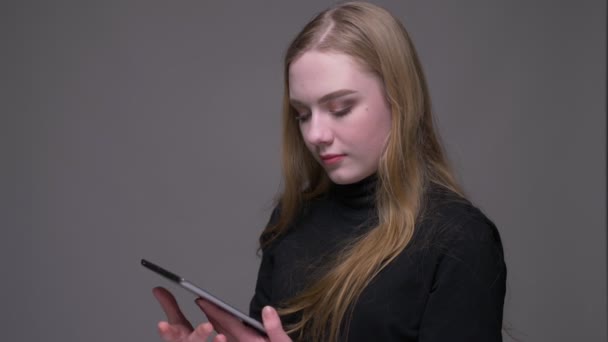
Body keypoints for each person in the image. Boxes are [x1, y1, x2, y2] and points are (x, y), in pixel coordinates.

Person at [152, 2, 507, 341]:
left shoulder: (461, 240)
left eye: (339, 108)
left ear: (400, 99)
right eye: (303, 114)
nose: (315, 135)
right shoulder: (292, 218)